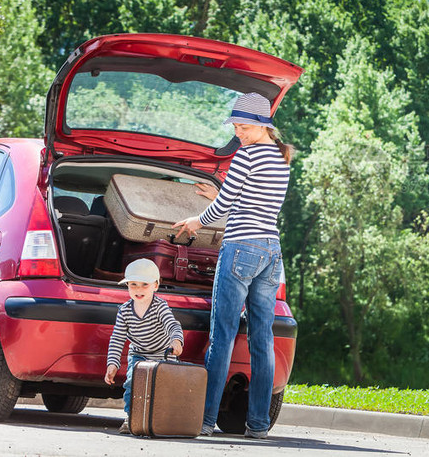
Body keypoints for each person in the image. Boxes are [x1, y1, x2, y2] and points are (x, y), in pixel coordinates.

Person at [172, 92, 294, 439]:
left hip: (241, 248)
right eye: (236, 126)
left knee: (222, 335)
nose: (237, 133)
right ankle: (257, 425)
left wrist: (197, 220)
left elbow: (224, 207)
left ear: (260, 126)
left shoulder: (246, 156)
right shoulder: (280, 158)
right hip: (271, 252)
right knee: (262, 341)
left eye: (242, 126)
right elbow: (256, 201)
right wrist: (222, 196)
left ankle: (206, 420)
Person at [104, 258, 184, 435]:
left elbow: (173, 325)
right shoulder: (125, 310)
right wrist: (112, 363)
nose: (138, 290)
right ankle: (131, 418)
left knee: (164, 387)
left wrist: (176, 341)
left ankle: (163, 419)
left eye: (144, 285)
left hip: (164, 353)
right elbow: (117, 338)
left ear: (156, 285)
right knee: (133, 383)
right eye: (133, 284)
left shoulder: (160, 306)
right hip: (139, 353)